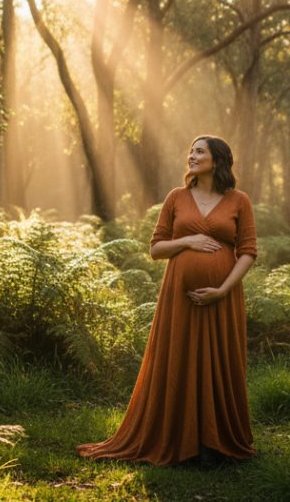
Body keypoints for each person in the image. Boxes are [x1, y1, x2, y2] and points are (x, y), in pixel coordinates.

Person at [77, 135, 257, 466]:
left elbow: (247, 252)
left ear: (216, 161)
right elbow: (156, 248)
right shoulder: (176, 198)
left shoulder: (238, 201)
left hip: (223, 299)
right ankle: (179, 438)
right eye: (190, 150)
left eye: (199, 151)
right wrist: (188, 240)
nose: (191, 156)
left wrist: (223, 290)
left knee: (220, 361)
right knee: (180, 358)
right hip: (179, 298)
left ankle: (215, 444)